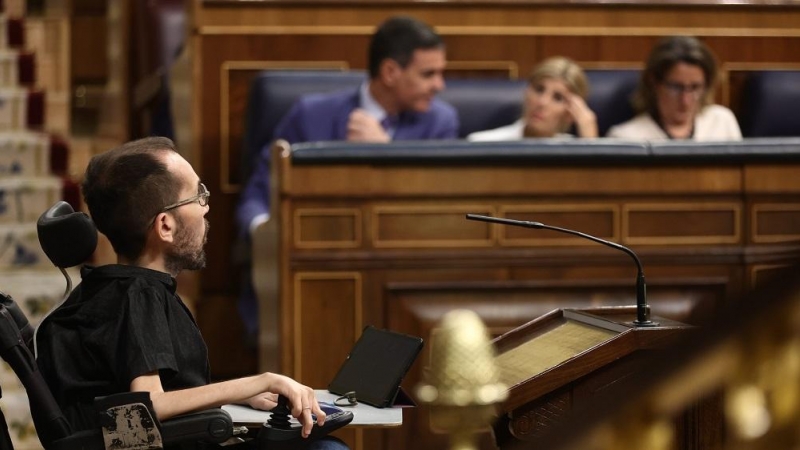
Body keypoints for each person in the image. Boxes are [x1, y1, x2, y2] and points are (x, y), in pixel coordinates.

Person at [35, 137, 347, 450]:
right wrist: (261, 381)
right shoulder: (140, 295)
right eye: (198, 195)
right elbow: (147, 406)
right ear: (165, 226)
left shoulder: (107, 290)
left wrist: (244, 395)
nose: (206, 206)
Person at [235, 15, 459, 338]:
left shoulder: (441, 123)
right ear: (391, 72)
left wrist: (385, 151)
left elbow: (438, 207)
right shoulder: (309, 114)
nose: (440, 85)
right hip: (312, 264)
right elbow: (258, 195)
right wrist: (267, 236)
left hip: (400, 272)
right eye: (429, 74)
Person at [606, 36, 742, 141]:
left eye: (695, 88)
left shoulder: (722, 121)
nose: (686, 100)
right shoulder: (625, 138)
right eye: (676, 88)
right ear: (654, 83)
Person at [468, 57, 598, 141]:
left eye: (557, 98)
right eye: (539, 89)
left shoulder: (575, 154)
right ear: (526, 92)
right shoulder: (481, 144)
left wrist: (590, 142)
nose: (542, 102)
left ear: (570, 114)